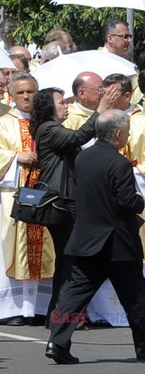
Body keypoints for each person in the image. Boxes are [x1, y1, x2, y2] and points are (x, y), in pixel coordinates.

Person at [45, 109, 145, 364]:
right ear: (118, 134)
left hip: (86, 240)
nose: (128, 135)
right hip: (117, 243)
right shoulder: (119, 163)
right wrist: (139, 200)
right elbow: (127, 201)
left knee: (74, 296)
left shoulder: (83, 158)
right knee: (134, 296)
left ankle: (57, 341)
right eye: (127, 131)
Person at [29, 86, 116, 327]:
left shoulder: (53, 129)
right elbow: (78, 138)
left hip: (65, 202)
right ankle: (62, 317)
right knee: (71, 260)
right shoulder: (48, 129)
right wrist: (99, 111)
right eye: (60, 102)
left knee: (68, 260)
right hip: (60, 203)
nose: (65, 105)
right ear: (48, 108)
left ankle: (56, 316)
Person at [0, 73, 54, 326]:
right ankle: (12, 309)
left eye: (30, 92)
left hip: (45, 196)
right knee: (12, 247)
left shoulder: (47, 122)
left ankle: (41, 308)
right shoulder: (3, 123)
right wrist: (14, 158)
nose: (26, 97)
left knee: (46, 247)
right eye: (20, 92)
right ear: (11, 94)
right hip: (13, 197)